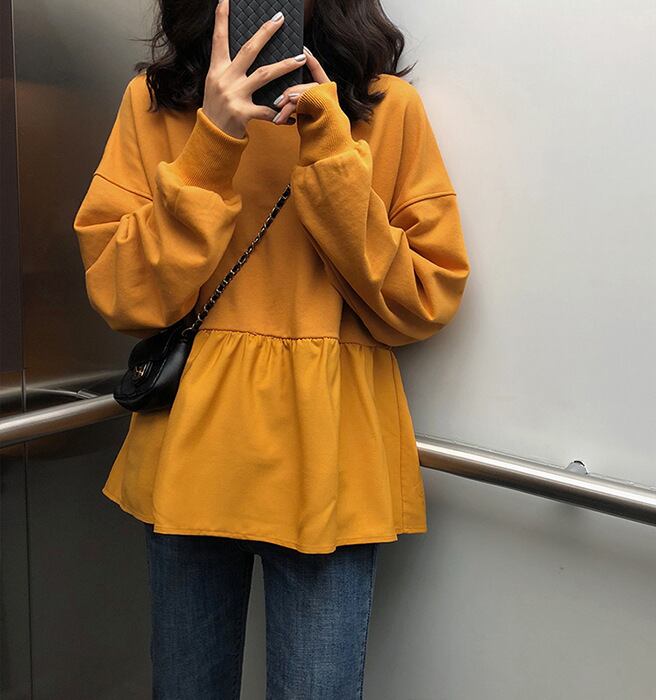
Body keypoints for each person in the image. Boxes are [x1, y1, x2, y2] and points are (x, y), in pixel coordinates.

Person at [72, 0, 470, 697]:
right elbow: (122, 294)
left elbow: (423, 299)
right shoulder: (157, 103)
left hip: (330, 457)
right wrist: (211, 146)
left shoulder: (383, 107)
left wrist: (333, 156)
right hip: (193, 451)